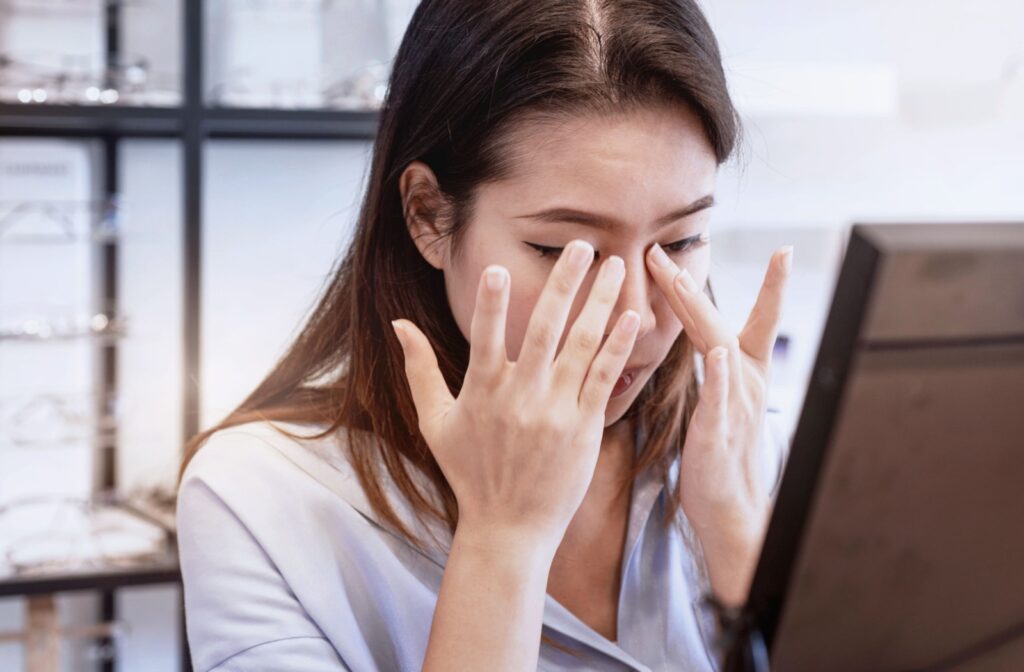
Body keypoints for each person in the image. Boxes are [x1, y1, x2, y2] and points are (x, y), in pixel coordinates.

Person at [176, 1, 793, 670]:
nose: (638, 317)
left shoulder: (745, 447)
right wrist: (504, 539)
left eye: (681, 240)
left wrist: (736, 537)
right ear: (428, 216)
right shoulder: (260, 497)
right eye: (565, 251)